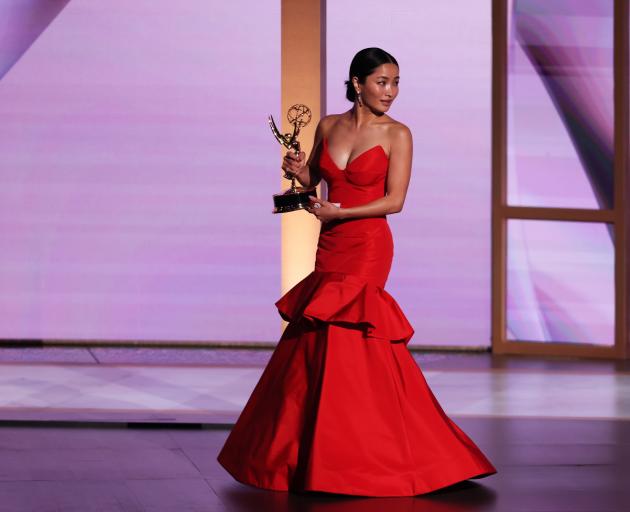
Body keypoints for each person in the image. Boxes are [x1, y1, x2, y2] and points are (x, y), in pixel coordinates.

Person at [217, 47, 497, 497]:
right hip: (330, 243)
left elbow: (395, 201)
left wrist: (340, 212)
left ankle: (375, 453)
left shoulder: (398, 134)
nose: (391, 92)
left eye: (396, 82)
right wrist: (297, 172)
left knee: (356, 337)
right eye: (382, 82)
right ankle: (311, 453)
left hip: (366, 244)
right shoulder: (329, 125)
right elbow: (310, 181)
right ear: (356, 83)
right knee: (319, 337)